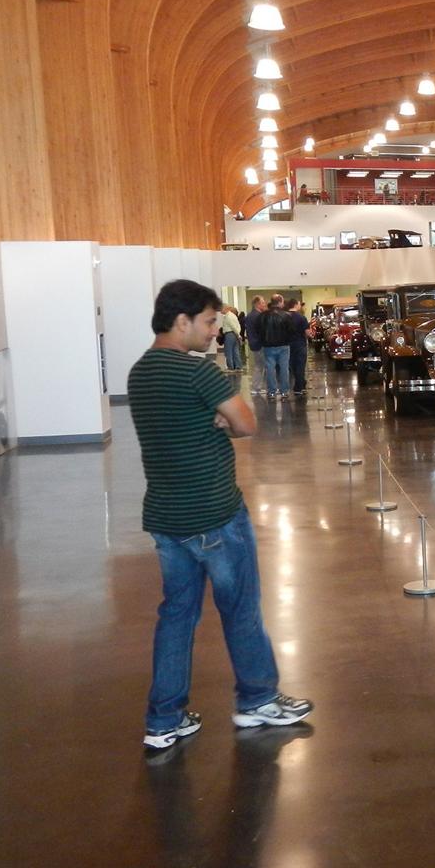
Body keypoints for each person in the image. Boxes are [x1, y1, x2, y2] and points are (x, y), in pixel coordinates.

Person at [127, 279, 312, 751]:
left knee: (176, 617)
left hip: (168, 519)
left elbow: (176, 430)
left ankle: (163, 719)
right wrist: (221, 421)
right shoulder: (198, 374)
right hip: (215, 513)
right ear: (182, 321)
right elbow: (247, 424)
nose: (215, 331)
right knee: (242, 611)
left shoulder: (140, 373)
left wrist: (210, 423)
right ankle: (257, 700)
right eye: (209, 322)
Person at [260, 294, 293, 400]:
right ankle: (284, 392)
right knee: (284, 368)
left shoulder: (263, 315)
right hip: (283, 346)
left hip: (268, 346)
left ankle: (271, 392)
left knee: (270, 368)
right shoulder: (286, 315)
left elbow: (258, 330)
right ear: (280, 302)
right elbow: (292, 330)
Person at [244, 296, 268, 396]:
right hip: (260, 344)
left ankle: (257, 387)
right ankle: (255, 387)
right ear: (257, 304)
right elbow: (262, 331)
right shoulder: (259, 316)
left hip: (254, 343)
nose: (264, 304)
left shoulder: (249, 315)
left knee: (259, 365)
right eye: (262, 303)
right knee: (260, 366)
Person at [287, 299, 310, 396]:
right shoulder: (302, 318)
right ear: (296, 305)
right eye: (299, 304)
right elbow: (307, 333)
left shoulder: (285, 317)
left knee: (292, 365)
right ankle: (299, 387)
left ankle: (301, 384)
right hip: (300, 344)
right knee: (300, 365)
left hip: (288, 345)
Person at [219, 305, 243, 372]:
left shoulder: (228, 317)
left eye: (221, 309)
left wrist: (237, 334)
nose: (220, 310)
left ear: (225, 309)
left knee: (228, 351)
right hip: (235, 334)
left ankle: (230, 367)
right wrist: (238, 334)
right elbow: (238, 326)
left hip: (229, 334)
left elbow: (232, 326)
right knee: (236, 351)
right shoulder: (233, 315)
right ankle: (238, 367)